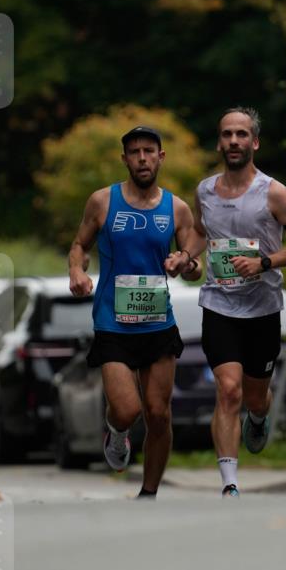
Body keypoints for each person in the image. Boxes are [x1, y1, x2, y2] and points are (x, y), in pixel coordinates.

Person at [165, 107, 286, 497]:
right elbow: (199, 232)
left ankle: (260, 416)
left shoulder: (274, 192)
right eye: (227, 134)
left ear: (255, 142)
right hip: (219, 305)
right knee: (228, 390)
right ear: (219, 142)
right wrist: (186, 256)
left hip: (263, 308)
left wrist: (264, 262)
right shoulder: (205, 191)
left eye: (242, 135)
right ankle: (230, 483)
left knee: (253, 396)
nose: (234, 141)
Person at [69, 125, 202, 499]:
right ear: (124, 159)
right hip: (113, 322)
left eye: (149, 151)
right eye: (134, 152)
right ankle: (117, 430)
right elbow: (79, 246)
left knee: (159, 414)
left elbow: (194, 267)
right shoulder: (103, 202)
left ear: (161, 157)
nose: (142, 158)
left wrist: (186, 265)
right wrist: (76, 271)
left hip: (159, 322)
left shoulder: (177, 208)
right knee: (127, 409)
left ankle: (149, 493)